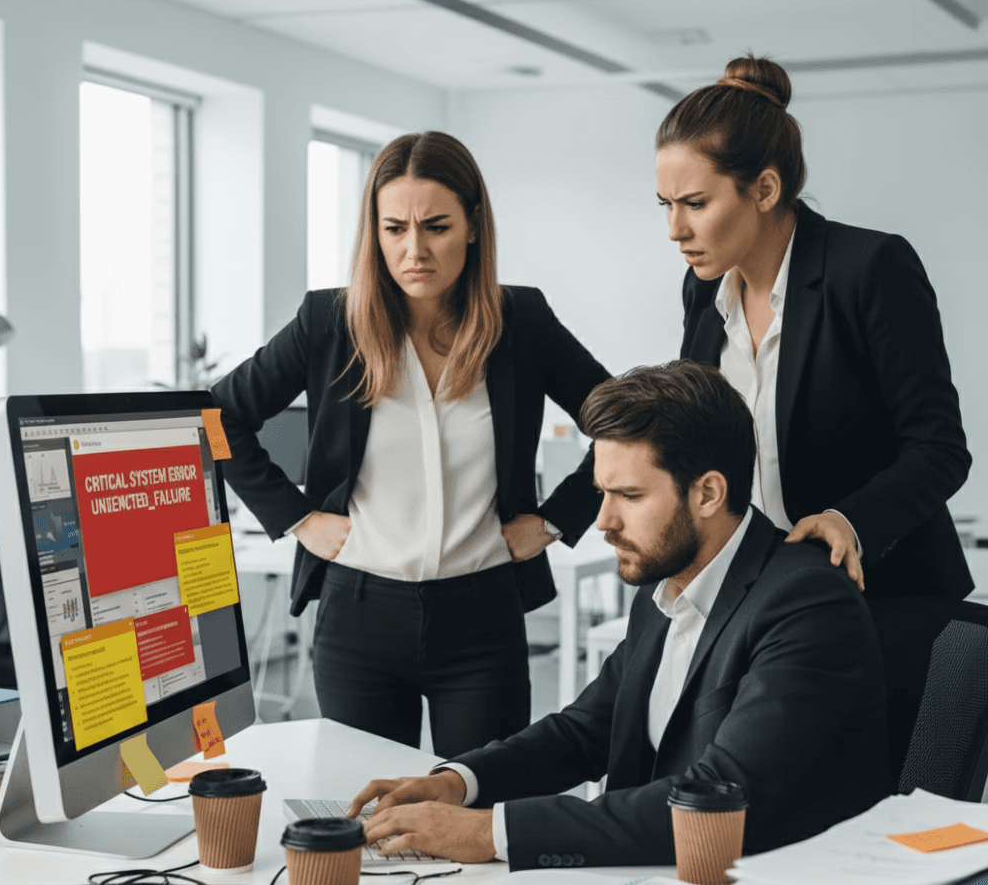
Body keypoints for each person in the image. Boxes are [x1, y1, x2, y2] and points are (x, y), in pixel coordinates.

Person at [348, 360, 890, 869]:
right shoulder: (666, 583)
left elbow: (721, 796)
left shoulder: (807, 606)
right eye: (602, 493)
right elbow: (586, 731)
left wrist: (489, 833)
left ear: (707, 493)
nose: (603, 521)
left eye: (628, 495)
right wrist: (461, 782)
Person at [211, 131, 610, 759]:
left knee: (478, 817)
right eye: (393, 228)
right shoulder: (330, 323)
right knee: (368, 822)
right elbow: (216, 417)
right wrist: (296, 519)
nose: (413, 249)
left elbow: (628, 425)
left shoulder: (521, 322)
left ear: (475, 226)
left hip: (483, 618)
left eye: (436, 226)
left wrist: (558, 519)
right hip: (358, 618)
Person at [655, 54, 972, 784]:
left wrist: (848, 519)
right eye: (664, 205)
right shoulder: (703, 292)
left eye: (695, 203)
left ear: (764, 189)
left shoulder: (870, 268)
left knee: (878, 831)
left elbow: (939, 446)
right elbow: (699, 434)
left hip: (884, 609)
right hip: (762, 614)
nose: (675, 229)